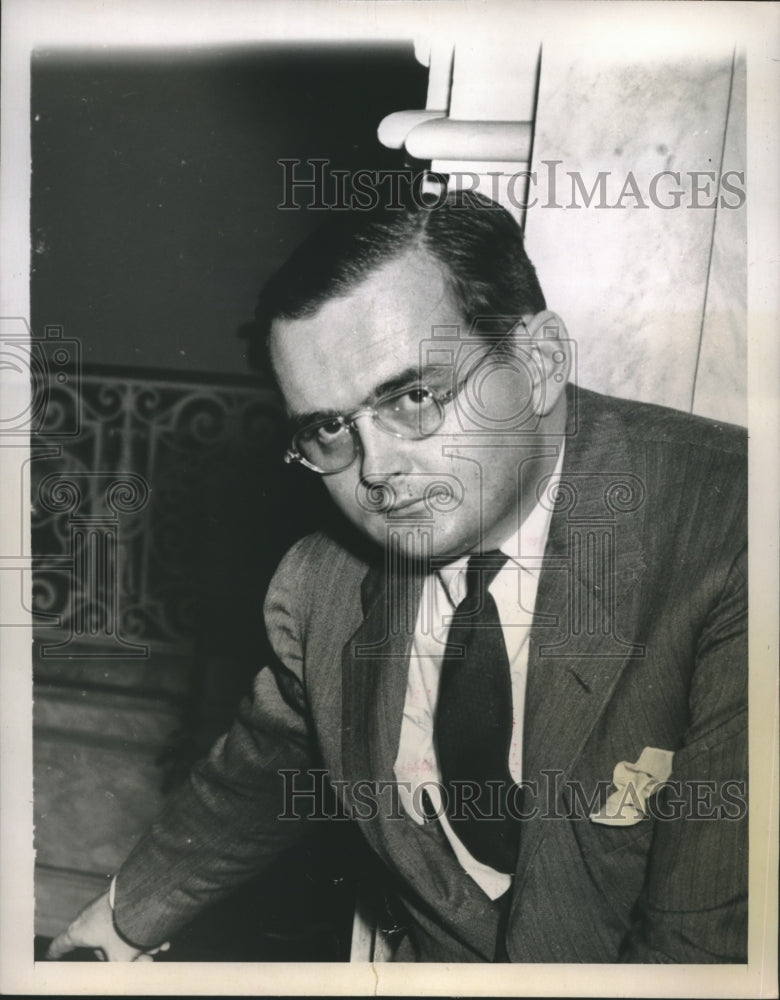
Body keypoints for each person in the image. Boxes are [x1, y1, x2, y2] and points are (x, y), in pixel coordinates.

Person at [47, 191, 747, 964]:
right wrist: (114, 927)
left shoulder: (735, 531)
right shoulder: (320, 588)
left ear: (540, 363)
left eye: (413, 397)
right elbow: (266, 770)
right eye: (328, 428)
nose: (377, 471)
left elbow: (703, 947)